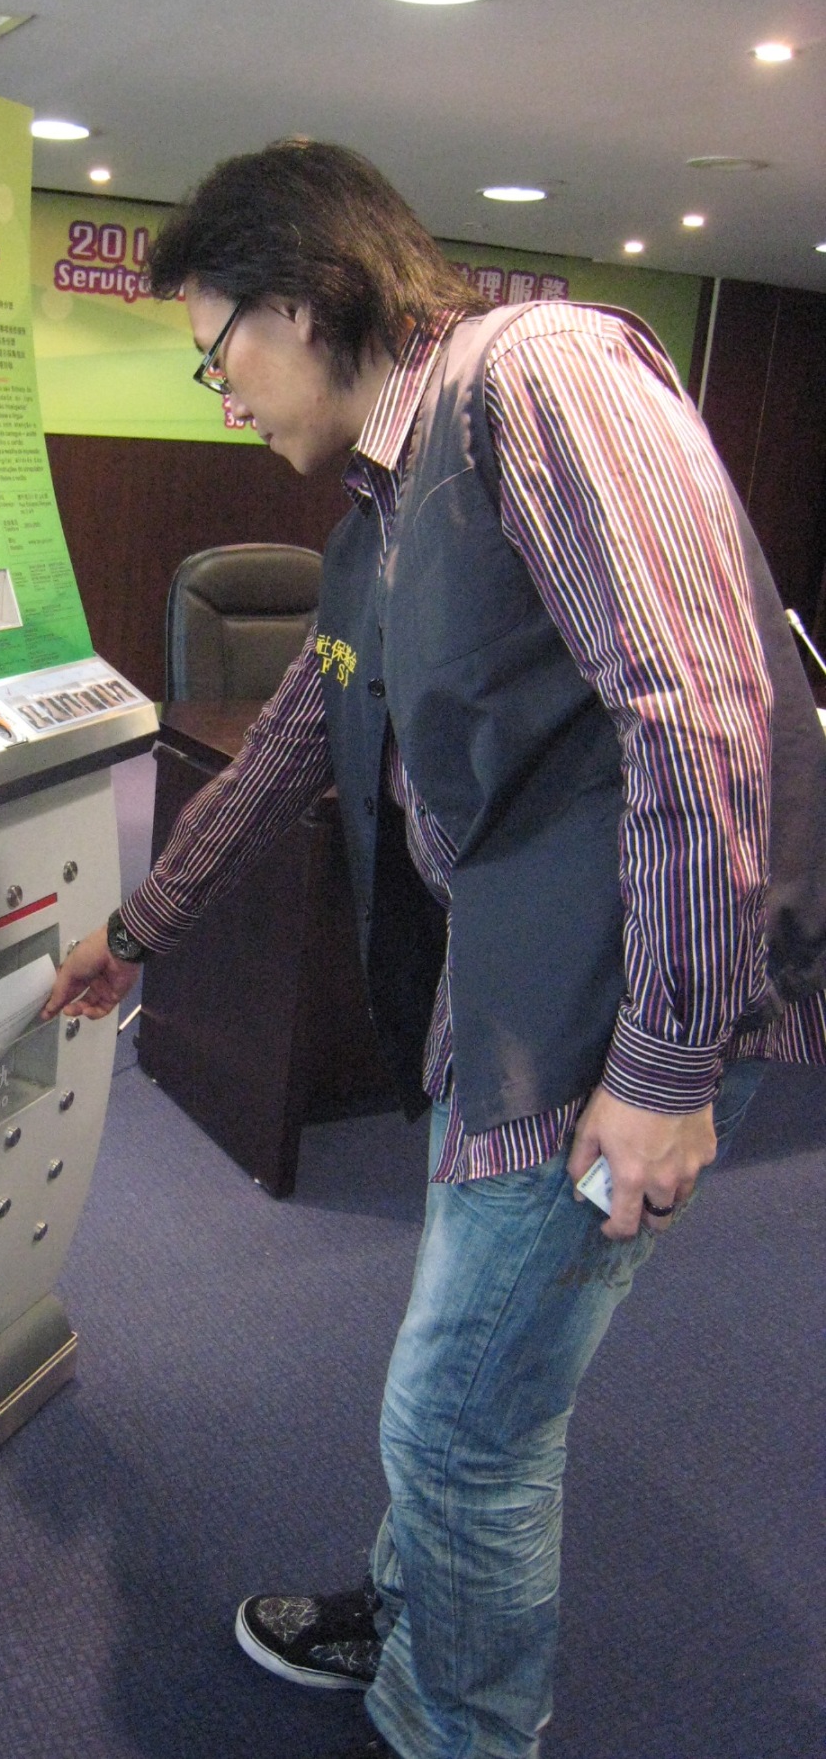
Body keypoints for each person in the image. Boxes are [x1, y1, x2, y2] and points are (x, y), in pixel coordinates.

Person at [40, 139, 826, 1758]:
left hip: (622, 1010)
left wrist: (667, 1064)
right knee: (461, 1378)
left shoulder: (540, 377)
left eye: (215, 352)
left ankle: (456, 1724)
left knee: (463, 1418)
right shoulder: (387, 500)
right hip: (528, 985)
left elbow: (697, 714)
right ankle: (420, 1613)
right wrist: (138, 928)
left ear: (302, 298)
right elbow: (295, 736)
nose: (218, 394)